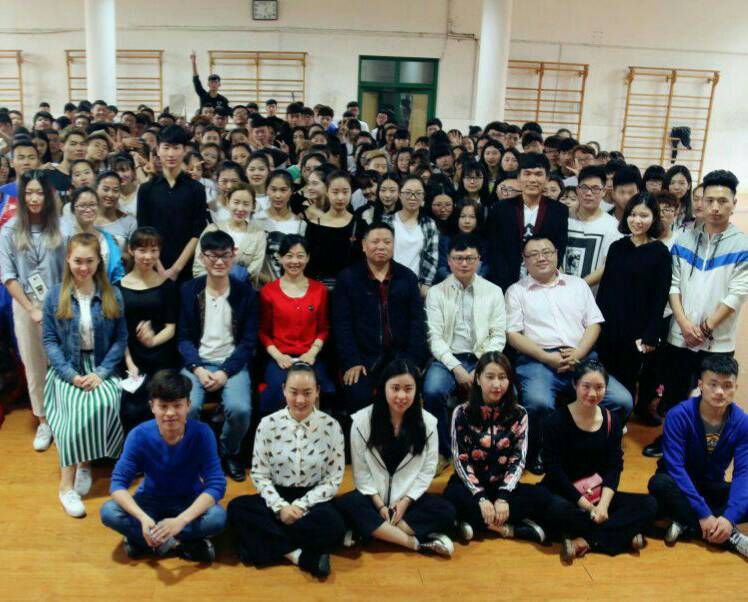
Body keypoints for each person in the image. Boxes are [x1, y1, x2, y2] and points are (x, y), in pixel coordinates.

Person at [505, 236, 633, 473]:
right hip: (538, 360)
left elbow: (594, 324)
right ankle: (541, 450)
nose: (541, 258)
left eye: (546, 251)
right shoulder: (516, 291)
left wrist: (579, 354)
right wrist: (547, 357)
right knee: (539, 403)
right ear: (525, 260)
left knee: (622, 401)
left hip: (582, 356)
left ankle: (596, 445)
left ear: (557, 253)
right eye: (533, 254)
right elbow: (513, 335)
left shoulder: (578, 285)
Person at [645, 170, 748, 458]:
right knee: (675, 393)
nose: (715, 207)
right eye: (709, 200)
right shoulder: (684, 240)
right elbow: (673, 284)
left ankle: (700, 450)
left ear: (734, 203)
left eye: (722, 201)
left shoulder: (742, 245)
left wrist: (703, 329)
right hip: (680, 334)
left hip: (718, 340)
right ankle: (670, 442)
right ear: (699, 201)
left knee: (712, 397)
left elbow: (737, 294)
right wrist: (683, 323)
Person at [227, 363, 346, 579]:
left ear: (317, 391)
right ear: (283, 390)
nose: (300, 400)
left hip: (312, 499)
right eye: (294, 392)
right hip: (277, 495)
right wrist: (280, 507)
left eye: (307, 393)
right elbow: (260, 474)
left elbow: (333, 478)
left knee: (335, 524)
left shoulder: (331, 426)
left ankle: (262, 546)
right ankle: (299, 556)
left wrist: (301, 505)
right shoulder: (267, 424)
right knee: (237, 508)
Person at [100, 369, 227, 562]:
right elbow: (117, 484)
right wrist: (142, 518)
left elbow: (216, 484)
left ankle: (147, 541)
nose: (170, 413)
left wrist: (181, 520)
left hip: (188, 500)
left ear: (188, 405)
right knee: (109, 512)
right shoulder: (139, 435)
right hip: (149, 501)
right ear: (152, 406)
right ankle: (184, 544)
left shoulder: (202, 433)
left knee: (217, 517)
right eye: (163, 406)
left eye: (177, 405)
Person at [42, 233, 127, 517]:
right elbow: (50, 341)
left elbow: (120, 340)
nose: (83, 267)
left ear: (98, 262)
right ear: (68, 260)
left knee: (102, 403)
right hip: (67, 368)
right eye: (78, 261)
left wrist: (101, 373)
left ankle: (85, 464)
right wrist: (70, 375)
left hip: (101, 366)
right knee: (72, 414)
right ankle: (65, 486)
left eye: (89, 261)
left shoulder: (113, 294)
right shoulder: (55, 295)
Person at [541, 359, 657, 563]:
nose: (592, 393)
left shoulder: (612, 421)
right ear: (575, 384)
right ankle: (622, 533)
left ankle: (586, 541)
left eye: (599, 387)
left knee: (649, 504)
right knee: (554, 511)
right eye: (586, 386)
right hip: (566, 494)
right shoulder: (555, 421)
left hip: (597, 493)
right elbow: (554, 471)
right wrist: (588, 507)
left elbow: (614, 466)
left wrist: (602, 505)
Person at [337, 359, 457, 556]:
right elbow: (361, 473)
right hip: (374, 499)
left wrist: (405, 502)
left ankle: (377, 531)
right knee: (347, 504)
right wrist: (380, 505)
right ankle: (414, 543)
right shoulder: (361, 421)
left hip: (406, 502)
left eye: (408, 389)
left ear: (416, 390)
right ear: (383, 388)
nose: (402, 396)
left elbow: (427, 471)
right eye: (395, 388)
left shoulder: (428, 423)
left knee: (446, 510)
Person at [444, 352, 550, 543]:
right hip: (471, 488)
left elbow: (518, 459)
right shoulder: (461, 412)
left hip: (502, 485)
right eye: (490, 377)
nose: (496, 384)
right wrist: (481, 497)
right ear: (478, 379)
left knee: (543, 497)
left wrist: (503, 497)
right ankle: (509, 529)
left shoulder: (520, 414)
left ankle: (474, 524)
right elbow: (460, 460)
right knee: (450, 499)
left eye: (502, 377)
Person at [648, 356, 748, 558]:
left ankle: (685, 522)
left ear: (736, 387)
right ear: (701, 385)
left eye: (727, 386)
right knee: (658, 484)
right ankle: (731, 538)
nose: (720, 392)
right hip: (678, 485)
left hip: (711, 485)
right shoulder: (679, 415)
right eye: (713, 384)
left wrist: (729, 518)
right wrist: (704, 514)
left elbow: (743, 473)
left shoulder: (742, 422)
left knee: (743, 493)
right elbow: (675, 468)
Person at [178, 230, 258, 482]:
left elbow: (248, 342)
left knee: (240, 409)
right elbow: (183, 338)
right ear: (202, 258)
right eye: (213, 256)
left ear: (234, 256)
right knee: (187, 408)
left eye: (225, 255)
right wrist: (197, 368)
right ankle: (196, 455)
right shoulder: (188, 290)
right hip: (197, 364)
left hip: (231, 364)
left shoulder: (246, 294)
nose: (219, 262)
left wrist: (225, 372)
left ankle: (228, 452)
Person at [423, 234, 506, 463]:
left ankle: (492, 451)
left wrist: (481, 366)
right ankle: (443, 452)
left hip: (484, 358)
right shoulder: (436, 292)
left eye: (470, 258)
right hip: (447, 358)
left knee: (502, 391)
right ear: (449, 261)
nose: (464, 263)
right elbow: (433, 338)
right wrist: (457, 368)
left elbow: (498, 335)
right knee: (432, 390)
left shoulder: (494, 291)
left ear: (479, 260)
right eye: (458, 258)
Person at [0, 170, 65, 451]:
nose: (34, 198)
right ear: (22, 196)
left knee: (60, 363)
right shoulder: (10, 229)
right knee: (34, 364)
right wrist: (31, 309)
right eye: (29, 193)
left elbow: (69, 270)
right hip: (26, 305)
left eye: (40, 192)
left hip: (58, 304)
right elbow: (7, 275)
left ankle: (63, 417)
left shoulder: (60, 227)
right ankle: (43, 420)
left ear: (48, 196)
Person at [596, 193, 672, 400]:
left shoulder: (660, 252)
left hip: (637, 330)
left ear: (654, 218)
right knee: (601, 377)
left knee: (626, 380)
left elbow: (660, 298)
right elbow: (605, 289)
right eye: (633, 214)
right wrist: (596, 324)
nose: (637, 220)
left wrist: (651, 333)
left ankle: (622, 416)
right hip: (609, 325)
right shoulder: (617, 247)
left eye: (644, 216)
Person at [259, 235, 335, 413]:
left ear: (308, 258)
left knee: (321, 389)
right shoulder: (268, 291)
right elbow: (263, 332)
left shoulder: (319, 290)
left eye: (300, 256)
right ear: (280, 258)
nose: (295, 261)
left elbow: (324, 329)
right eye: (289, 256)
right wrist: (278, 356)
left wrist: (312, 352)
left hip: (310, 356)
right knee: (278, 390)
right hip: (280, 358)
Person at [117, 228, 180, 434]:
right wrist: (130, 364)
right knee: (131, 409)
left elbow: (170, 328)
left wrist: (152, 340)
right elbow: (120, 333)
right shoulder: (118, 288)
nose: (148, 256)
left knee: (161, 405)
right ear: (131, 250)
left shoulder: (167, 286)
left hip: (162, 356)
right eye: (142, 250)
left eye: (154, 250)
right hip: (131, 358)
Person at [486, 153, 568, 293]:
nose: (532, 179)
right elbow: (494, 250)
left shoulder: (559, 210)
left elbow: (559, 249)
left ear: (547, 178)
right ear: (518, 177)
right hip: (504, 284)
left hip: (543, 284)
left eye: (538, 174)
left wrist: (544, 277)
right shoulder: (501, 209)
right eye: (527, 174)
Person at [137, 125, 208, 283]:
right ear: (158, 149)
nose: (170, 154)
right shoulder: (146, 189)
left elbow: (197, 232)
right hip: (152, 266)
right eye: (166, 147)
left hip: (187, 268)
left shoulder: (196, 189)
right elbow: (143, 231)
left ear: (184, 150)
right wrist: (160, 268)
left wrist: (175, 269)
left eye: (176, 148)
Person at [193, 183, 267, 286]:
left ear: (253, 206)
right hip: (210, 288)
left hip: (242, 290)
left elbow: (254, 270)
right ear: (228, 202)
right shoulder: (213, 229)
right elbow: (199, 266)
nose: (240, 208)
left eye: (246, 204)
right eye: (236, 202)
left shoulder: (258, 235)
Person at [563, 166, 621, 291]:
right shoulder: (563, 219)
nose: (588, 193)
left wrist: (578, 287)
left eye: (595, 189)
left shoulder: (613, 226)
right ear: (577, 189)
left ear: (604, 191)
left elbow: (607, 265)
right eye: (584, 187)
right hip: (560, 290)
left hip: (593, 296)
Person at [382, 176, 439, 297]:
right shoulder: (386, 221)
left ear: (423, 196)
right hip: (388, 284)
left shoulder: (429, 224)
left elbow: (431, 257)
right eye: (408, 193)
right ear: (399, 195)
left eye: (418, 193)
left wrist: (426, 284)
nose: (413, 197)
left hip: (415, 286)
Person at [303, 171, 357, 289]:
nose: (340, 197)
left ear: (351, 192)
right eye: (335, 192)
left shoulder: (359, 224)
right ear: (327, 192)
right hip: (317, 289)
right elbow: (308, 262)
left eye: (345, 192)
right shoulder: (314, 225)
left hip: (349, 289)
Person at [61, 186, 125, 284]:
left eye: (92, 205)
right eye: (82, 205)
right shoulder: (65, 239)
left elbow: (117, 275)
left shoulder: (109, 240)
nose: (88, 209)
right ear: (73, 209)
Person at [255, 170, 306, 284]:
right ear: (267, 190)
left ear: (291, 191)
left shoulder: (300, 225)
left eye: (283, 190)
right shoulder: (256, 220)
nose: (278, 195)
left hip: (290, 286)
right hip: (260, 286)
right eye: (273, 189)